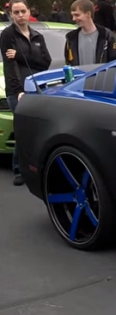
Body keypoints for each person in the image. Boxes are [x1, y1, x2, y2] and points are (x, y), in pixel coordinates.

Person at [0, 0, 51, 186]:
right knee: (23, 129)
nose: (20, 15)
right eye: (16, 12)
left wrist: (21, 55)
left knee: (36, 129)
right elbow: (10, 66)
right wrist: (19, 91)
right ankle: (19, 168)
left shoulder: (37, 35)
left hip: (38, 88)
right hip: (18, 91)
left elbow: (45, 62)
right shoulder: (7, 35)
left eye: (23, 11)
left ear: (29, 12)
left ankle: (36, 165)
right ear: (11, 15)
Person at [65, 0, 116, 66]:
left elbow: (115, 61)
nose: (74, 19)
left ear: (88, 14)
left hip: (101, 76)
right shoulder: (71, 38)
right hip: (80, 76)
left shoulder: (106, 36)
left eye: (77, 15)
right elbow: (68, 63)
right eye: (73, 15)